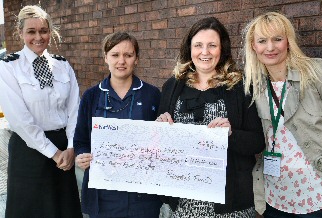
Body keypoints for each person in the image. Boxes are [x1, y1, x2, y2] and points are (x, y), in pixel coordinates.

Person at [242, 12, 322, 217]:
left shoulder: (317, 74)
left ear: (288, 42)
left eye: (277, 39)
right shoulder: (254, 87)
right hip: (276, 199)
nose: (270, 47)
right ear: (254, 47)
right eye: (262, 41)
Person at [156, 17, 265, 217]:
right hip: (181, 205)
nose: (204, 52)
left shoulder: (240, 87)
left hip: (229, 205)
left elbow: (258, 141)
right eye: (198, 45)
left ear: (221, 48)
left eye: (212, 45)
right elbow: (160, 145)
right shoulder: (172, 87)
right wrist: (159, 128)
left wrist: (231, 134)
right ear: (189, 48)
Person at [0, 5, 82, 218]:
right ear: (20, 33)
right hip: (29, 151)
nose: (38, 37)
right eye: (31, 31)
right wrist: (54, 153)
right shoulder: (8, 67)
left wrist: (71, 147)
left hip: (65, 153)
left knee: (64, 210)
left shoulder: (63, 66)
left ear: (50, 31)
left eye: (43, 30)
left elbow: (75, 110)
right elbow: (20, 120)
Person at [74, 32, 162, 218]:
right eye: (115, 55)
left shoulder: (152, 95)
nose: (121, 61)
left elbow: (162, 141)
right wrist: (81, 155)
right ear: (106, 57)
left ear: (136, 59)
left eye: (128, 55)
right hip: (104, 195)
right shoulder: (91, 96)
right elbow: (81, 139)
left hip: (142, 195)